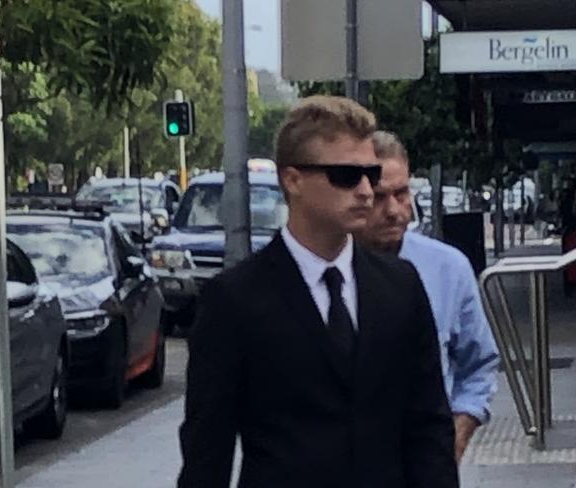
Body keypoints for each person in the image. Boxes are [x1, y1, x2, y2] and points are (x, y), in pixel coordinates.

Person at [178, 97, 458, 488]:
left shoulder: (401, 286)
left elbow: (429, 426)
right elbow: (207, 450)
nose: (364, 190)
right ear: (293, 180)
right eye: (346, 175)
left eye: (370, 174)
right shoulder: (235, 300)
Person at [354, 130, 499, 463]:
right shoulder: (331, 272)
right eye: (379, 197)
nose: (394, 210)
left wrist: (455, 439)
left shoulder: (447, 268)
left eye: (402, 193)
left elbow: (479, 365)